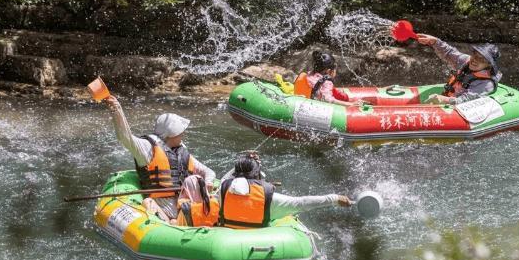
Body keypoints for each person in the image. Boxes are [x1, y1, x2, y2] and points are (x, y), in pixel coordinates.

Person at [104, 96, 217, 225]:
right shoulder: (147, 148)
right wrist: (117, 110)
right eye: (180, 131)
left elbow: (209, 172)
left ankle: (182, 221)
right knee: (148, 203)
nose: (183, 134)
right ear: (171, 133)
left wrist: (208, 181)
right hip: (163, 210)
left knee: (194, 185)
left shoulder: (181, 150)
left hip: (186, 209)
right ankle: (171, 225)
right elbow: (125, 138)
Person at [218, 151, 352, 229]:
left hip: (226, 237)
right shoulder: (270, 198)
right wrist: (334, 199)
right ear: (257, 174)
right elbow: (302, 203)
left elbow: (226, 179)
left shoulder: (222, 189)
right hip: (257, 239)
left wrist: (245, 161)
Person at [417, 34, 502, 105]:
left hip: (459, 109)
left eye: (482, 59)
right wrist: (435, 42)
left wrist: (444, 100)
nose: (475, 60)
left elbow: (467, 101)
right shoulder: (466, 60)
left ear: (489, 65)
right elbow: (449, 53)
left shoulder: (486, 83)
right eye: (475, 55)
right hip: (448, 98)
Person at [293, 51, 361, 106]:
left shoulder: (309, 74)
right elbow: (328, 100)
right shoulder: (327, 82)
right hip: (312, 110)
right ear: (329, 71)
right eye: (335, 69)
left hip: (299, 104)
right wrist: (350, 104)